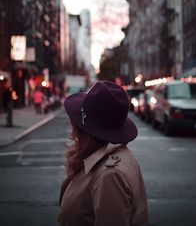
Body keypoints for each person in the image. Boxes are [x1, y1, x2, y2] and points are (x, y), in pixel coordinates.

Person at [58, 81, 148, 226]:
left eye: (76, 126)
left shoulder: (110, 176)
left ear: (83, 131)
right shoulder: (117, 154)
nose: (73, 131)